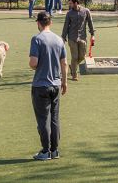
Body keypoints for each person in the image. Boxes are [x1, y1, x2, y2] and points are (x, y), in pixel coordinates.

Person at [29, 11, 67, 161]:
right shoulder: (59, 40)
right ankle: (54, 150)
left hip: (40, 85)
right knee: (54, 118)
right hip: (56, 84)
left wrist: (36, 67)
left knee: (43, 120)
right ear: (50, 23)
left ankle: (45, 151)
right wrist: (64, 81)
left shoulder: (37, 39)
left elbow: (33, 63)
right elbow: (64, 63)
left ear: (38, 23)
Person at [61, 0, 95, 81]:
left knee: (82, 56)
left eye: (71, 3)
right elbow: (66, 25)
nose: (69, 5)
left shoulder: (86, 11)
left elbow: (90, 22)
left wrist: (92, 34)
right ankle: (74, 75)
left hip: (83, 37)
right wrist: (63, 37)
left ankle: (72, 66)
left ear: (76, 3)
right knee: (75, 57)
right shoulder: (69, 13)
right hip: (72, 38)